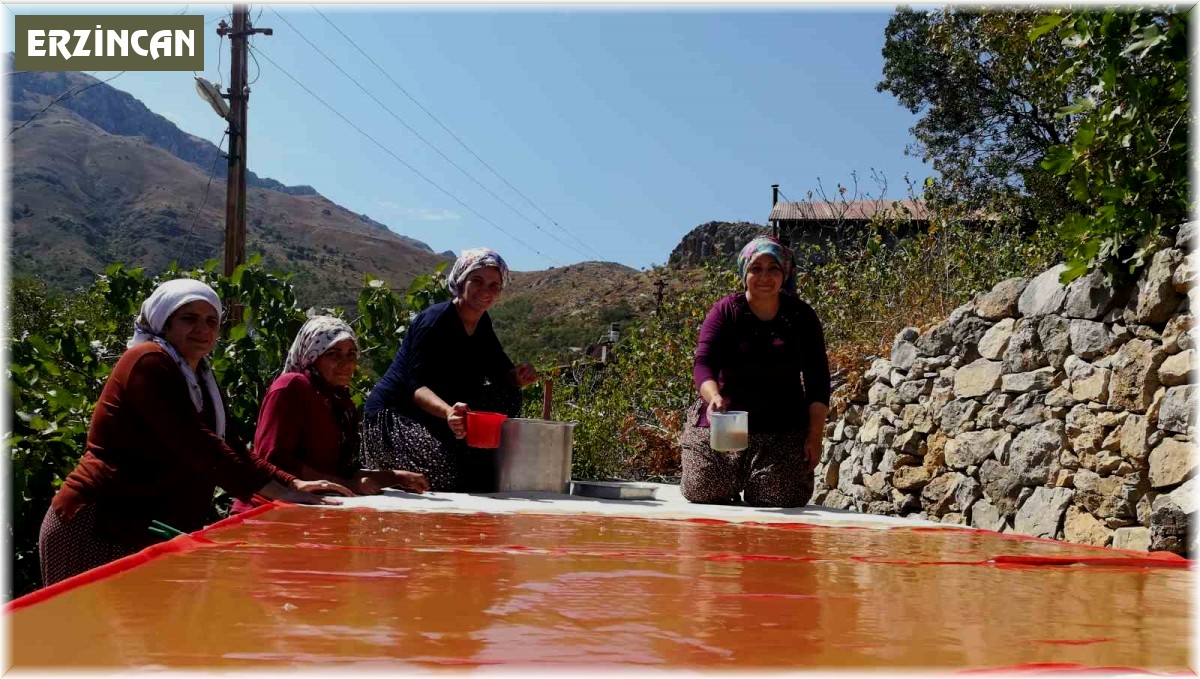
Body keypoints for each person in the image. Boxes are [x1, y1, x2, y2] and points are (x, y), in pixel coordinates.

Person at [39, 279, 354, 587]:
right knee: (90, 621)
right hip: (101, 523)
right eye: (189, 319)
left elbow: (232, 447)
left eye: (211, 321)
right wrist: (279, 493)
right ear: (165, 323)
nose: (202, 329)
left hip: (146, 524)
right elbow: (198, 446)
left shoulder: (200, 375)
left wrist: (292, 483)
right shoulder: (149, 361)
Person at [360, 248, 539, 492]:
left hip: (440, 418)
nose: (485, 290)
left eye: (494, 285)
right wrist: (448, 412)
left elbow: (502, 371)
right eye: (477, 281)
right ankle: (387, 473)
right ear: (461, 281)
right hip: (396, 415)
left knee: (507, 394)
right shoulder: (434, 321)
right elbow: (416, 387)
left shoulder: (482, 325)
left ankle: (478, 454)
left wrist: (518, 376)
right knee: (443, 474)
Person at [680, 236, 830, 508]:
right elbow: (704, 363)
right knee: (703, 491)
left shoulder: (802, 317)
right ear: (744, 272)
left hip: (781, 429)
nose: (764, 277)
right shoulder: (725, 311)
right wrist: (713, 397)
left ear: (785, 273)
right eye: (756, 268)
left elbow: (817, 379)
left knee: (780, 499)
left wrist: (815, 435)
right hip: (725, 424)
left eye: (773, 268)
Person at [231, 316, 430, 514]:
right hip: (266, 511)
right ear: (312, 355)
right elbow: (274, 459)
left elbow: (341, 471)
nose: (346, 364)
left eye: (351, 354)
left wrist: (396, 477)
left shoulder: (340, 403)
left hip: (312, 510)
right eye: (333, 354)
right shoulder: (292, 387)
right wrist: (347, 485)